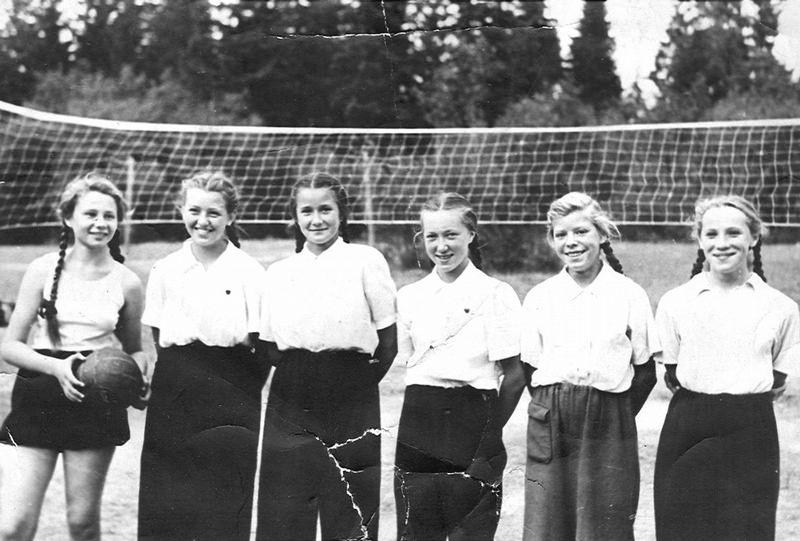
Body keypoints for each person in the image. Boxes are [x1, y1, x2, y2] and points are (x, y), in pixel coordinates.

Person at [0, 173, 147, 541]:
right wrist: (55, 367)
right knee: (13, 526)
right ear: (68, 217)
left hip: (94, 397)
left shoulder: (127, 281)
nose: (101, 223)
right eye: (91, 214)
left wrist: (140, 373)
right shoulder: (42, 270)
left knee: (82, 523)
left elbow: (135, 349)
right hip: (39, 394)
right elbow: (9, 345)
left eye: (109, 216)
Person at [255, 172, 397, 541]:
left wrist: (354, 384)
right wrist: (302, 375)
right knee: (286, 503)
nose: (316, 220)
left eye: (325, 209)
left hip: (352, 388)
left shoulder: (365, 260)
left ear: (341, 213)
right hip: (293, 389)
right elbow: (268, 344)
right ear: (295, 216)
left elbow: (388, 341)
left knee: (350, 502)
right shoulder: (280, 272)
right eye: (307, 210)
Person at [653, 195, 800, 541]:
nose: (722, 244)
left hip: (752, 427)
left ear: (754, 237)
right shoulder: (677, 302)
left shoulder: (780, 307)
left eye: (733, 233)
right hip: (688, 425)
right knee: (682, 527)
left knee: (748, 529)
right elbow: (672, 373)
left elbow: (778, 379)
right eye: (711, 234)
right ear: (700, 240)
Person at [520, 191, 658, 541]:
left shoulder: (628, 294)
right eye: (561, 234)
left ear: (602, 235)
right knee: (548, 522)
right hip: (551, 417)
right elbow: (529, 369)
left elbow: (644, 372)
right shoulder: (541, 296)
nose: (571, 242)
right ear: (552, 241)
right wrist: (556, 406)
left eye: (581, 231)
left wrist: (615, 413)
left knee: (604, 521)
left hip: (609, 417)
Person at [137, 170, 268, 541]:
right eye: (194, 211)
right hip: (176, 383)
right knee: (166, 495)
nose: (203, 221)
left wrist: (238, 390)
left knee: (225, 496)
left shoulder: (249, 272)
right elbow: (159, 334)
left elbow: (260, 343)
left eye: (214, 213)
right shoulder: (165, 269)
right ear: (181, 210)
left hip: (234, 384)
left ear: (231, 216)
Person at [393, 192, 526, 541]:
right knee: (416, 532)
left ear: (471, 234)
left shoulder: (496, 293)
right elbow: (411, 365)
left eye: (451, 234)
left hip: (474, 421)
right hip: (418, 422)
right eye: (432, 236)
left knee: (472, 532)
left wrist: (490, 432)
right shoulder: (409, 297)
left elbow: (514, 376)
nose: (442, 246)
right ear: (422, 239)